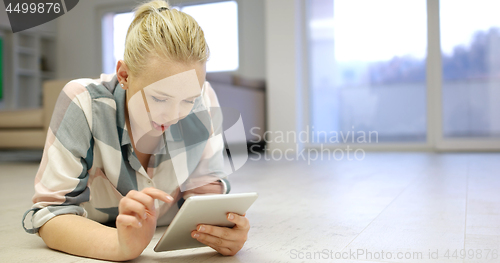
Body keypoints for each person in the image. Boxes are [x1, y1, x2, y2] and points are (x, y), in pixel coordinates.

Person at [21, 0, 250, 261]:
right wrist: (119, 245)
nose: (175, 115)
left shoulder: (203, 98)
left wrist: (222, 230)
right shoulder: (83, 102)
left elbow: (205, 197)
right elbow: (52, 214)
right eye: (160, 99)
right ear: (124, 75)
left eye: (188, 100)